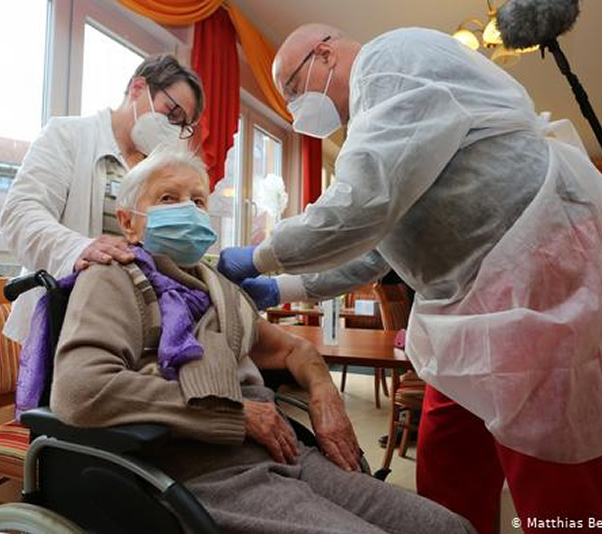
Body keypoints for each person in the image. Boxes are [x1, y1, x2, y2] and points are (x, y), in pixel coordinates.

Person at [217, 24, 602, 534]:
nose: (296, 109)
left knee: (557, 472)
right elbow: (378, 247)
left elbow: (363, 204)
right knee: (448, 467)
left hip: (531, 290)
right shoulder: (380, 126)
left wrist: (262, 256)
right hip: (470, 317)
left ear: (325, 53)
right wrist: (283, 288)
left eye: (293, 90)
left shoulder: (391, 58)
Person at [48, 149, 475, 534]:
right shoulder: (114, 277)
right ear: (128, 222)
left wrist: (325, 396)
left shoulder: (217, 287)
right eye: (168, 198)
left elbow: (294, 350)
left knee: (447, 526)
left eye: (198, 201)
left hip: (282, 451)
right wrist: (234, 414)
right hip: (203, 468)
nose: (188, 210)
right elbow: (80, 389)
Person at [0, 54, 204, 342]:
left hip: (134, 322)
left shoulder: (159, 169)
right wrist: (77, 248)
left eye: (182, 124)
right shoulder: (69, 135)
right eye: (171, 112)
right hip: (68, 321)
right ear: (138, 88)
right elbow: (20, 214)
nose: (173, 128)